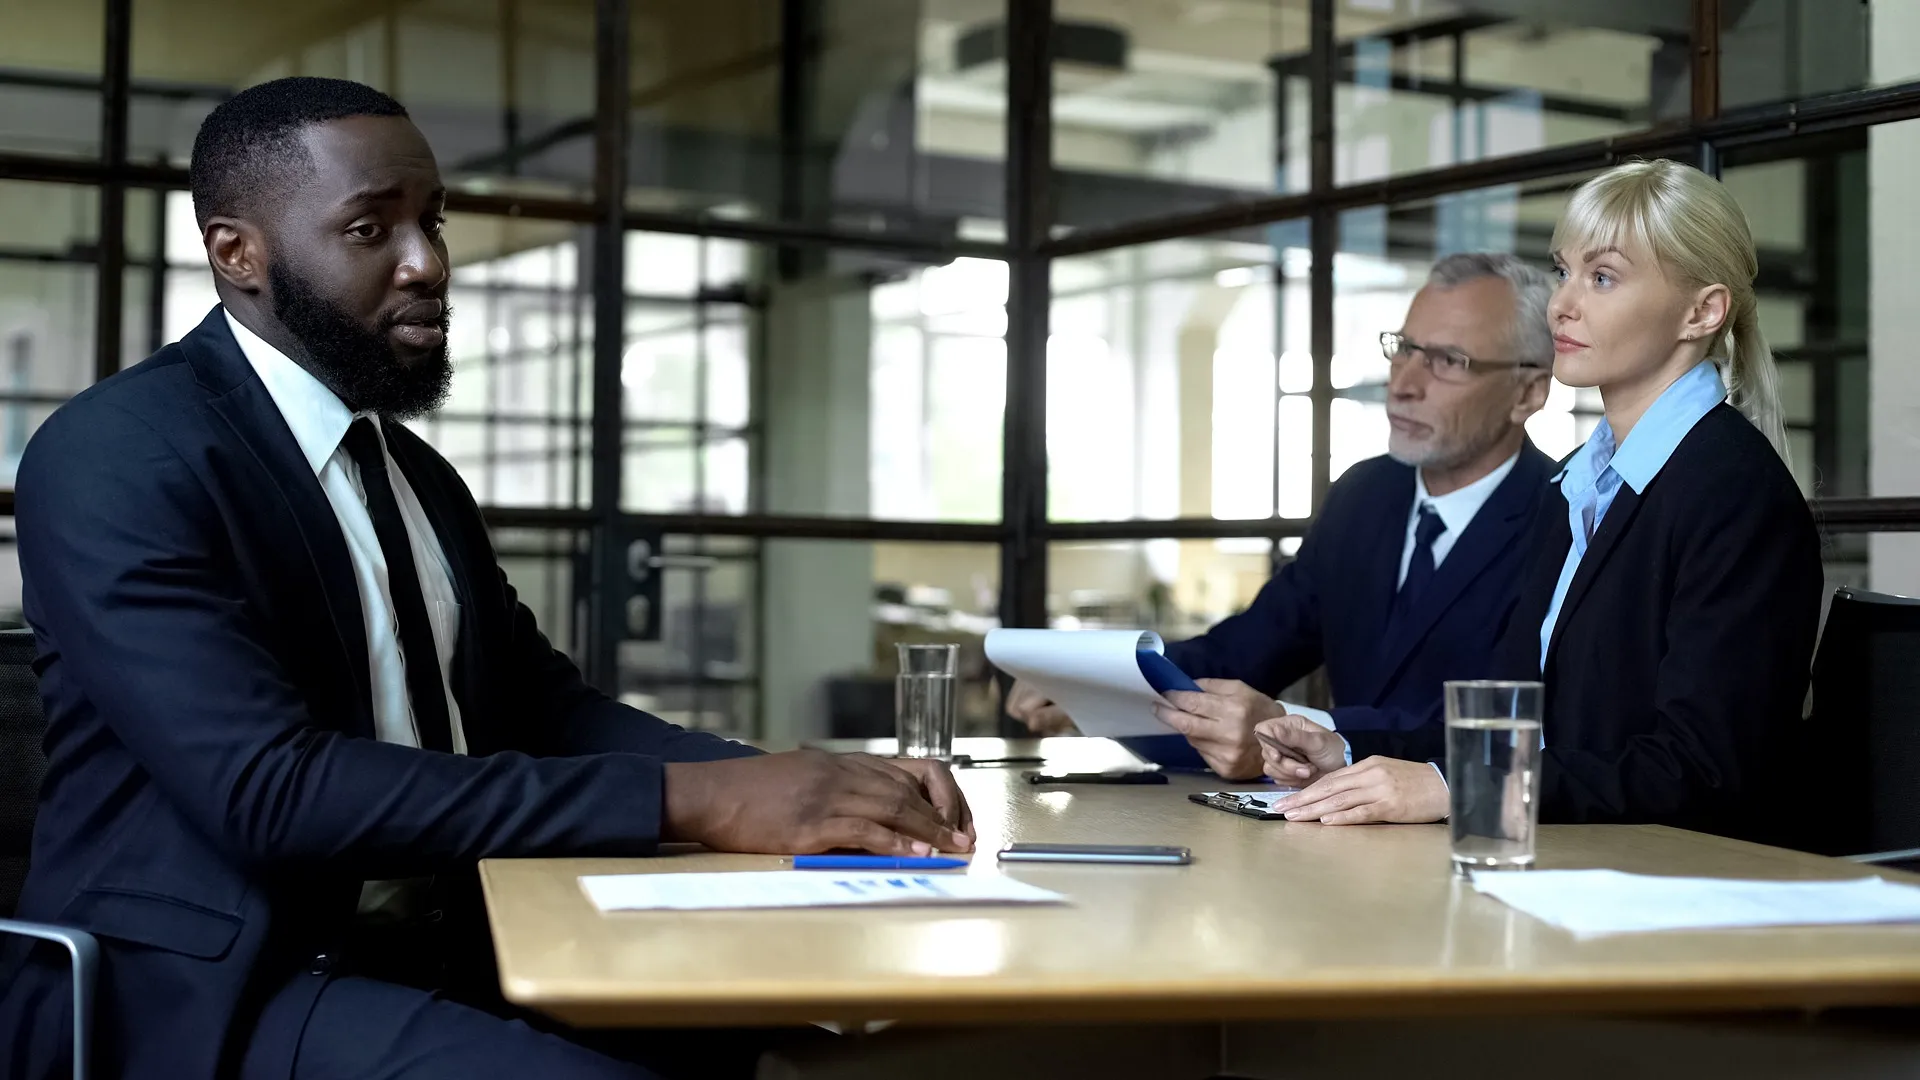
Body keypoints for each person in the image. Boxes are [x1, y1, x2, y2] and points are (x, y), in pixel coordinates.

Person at [0, 78, 973, 1080]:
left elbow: (545, 709)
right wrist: (703, 800)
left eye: (433, 222)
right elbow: (270, 789)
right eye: (372, 229)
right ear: (238, 253)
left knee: (826, 1056)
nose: (427, 264)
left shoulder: (413, 472)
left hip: (463, 941)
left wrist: (800, 782)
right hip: (216, 989)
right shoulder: (119, 454)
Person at [1256, 159, 1823, 842]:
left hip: (1673, 896)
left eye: (1603, 277)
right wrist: (1347, 749)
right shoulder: (1578, 485)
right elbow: (1524, 723)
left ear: (1702, 311)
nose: (1563, 304)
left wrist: (1455, 784)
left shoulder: (1734, 493)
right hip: (1567, 870)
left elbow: (1704, 770)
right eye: (1563, 271)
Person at [1008, 254, 1558, 780]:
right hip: (1333, 837)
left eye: (1448, 361)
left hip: (1475, 841)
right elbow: (1247, 650)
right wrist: (1104, 682)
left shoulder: (1562, 522)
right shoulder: (1363, 496)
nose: (1403, 383)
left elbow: (1508, 731)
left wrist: (1293, 730)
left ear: (1528, 392)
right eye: (1405, 349)